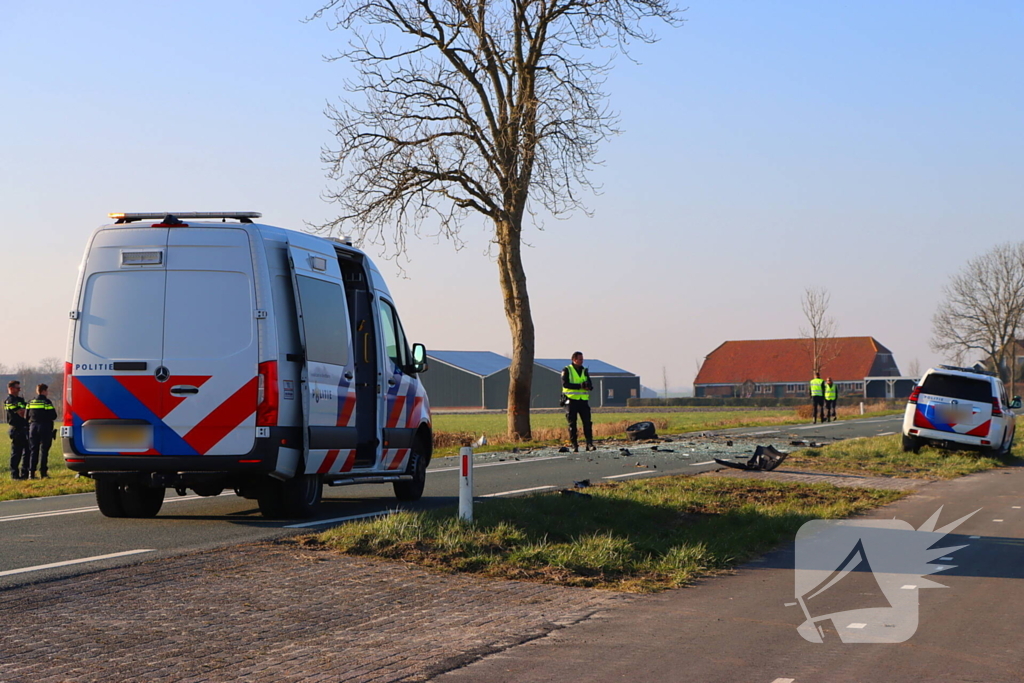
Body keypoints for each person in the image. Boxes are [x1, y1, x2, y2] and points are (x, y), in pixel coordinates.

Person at [561, 351, 595, 452]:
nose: (581, 361)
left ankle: (589, 444)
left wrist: (588, 386)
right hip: (571, 400)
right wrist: (579, 386)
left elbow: (590, 383)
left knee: (587, 423)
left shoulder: (584, 370)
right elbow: (565, 384)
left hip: (583, 400)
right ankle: (574, 445)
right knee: (572, 424)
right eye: (580, 359)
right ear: (574, 360)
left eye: (582, 359)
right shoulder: (567, 370)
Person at [26, 383, 57, 479]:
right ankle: (43, 473)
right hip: (45, 427)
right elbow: (54, 416)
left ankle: (31, 473)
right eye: (46, 391)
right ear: (43, 391)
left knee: (33, 451)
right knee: (44, 451)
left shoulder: (30, 402)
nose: (47, 393)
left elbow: (26, 416)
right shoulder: (46, 402)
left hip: (33, 427)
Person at [5, 380, 29, 479]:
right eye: (17, 388)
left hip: (25, 428)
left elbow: (27, 411)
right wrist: (25, 412)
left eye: (19, 388)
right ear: (11, 388)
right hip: (16, 429)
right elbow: (22, 413)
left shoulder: (20, 399)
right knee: (16, 453)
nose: (19, 390)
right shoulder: (10, 400)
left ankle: (25, 474)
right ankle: (14, 474)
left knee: (27, 452)